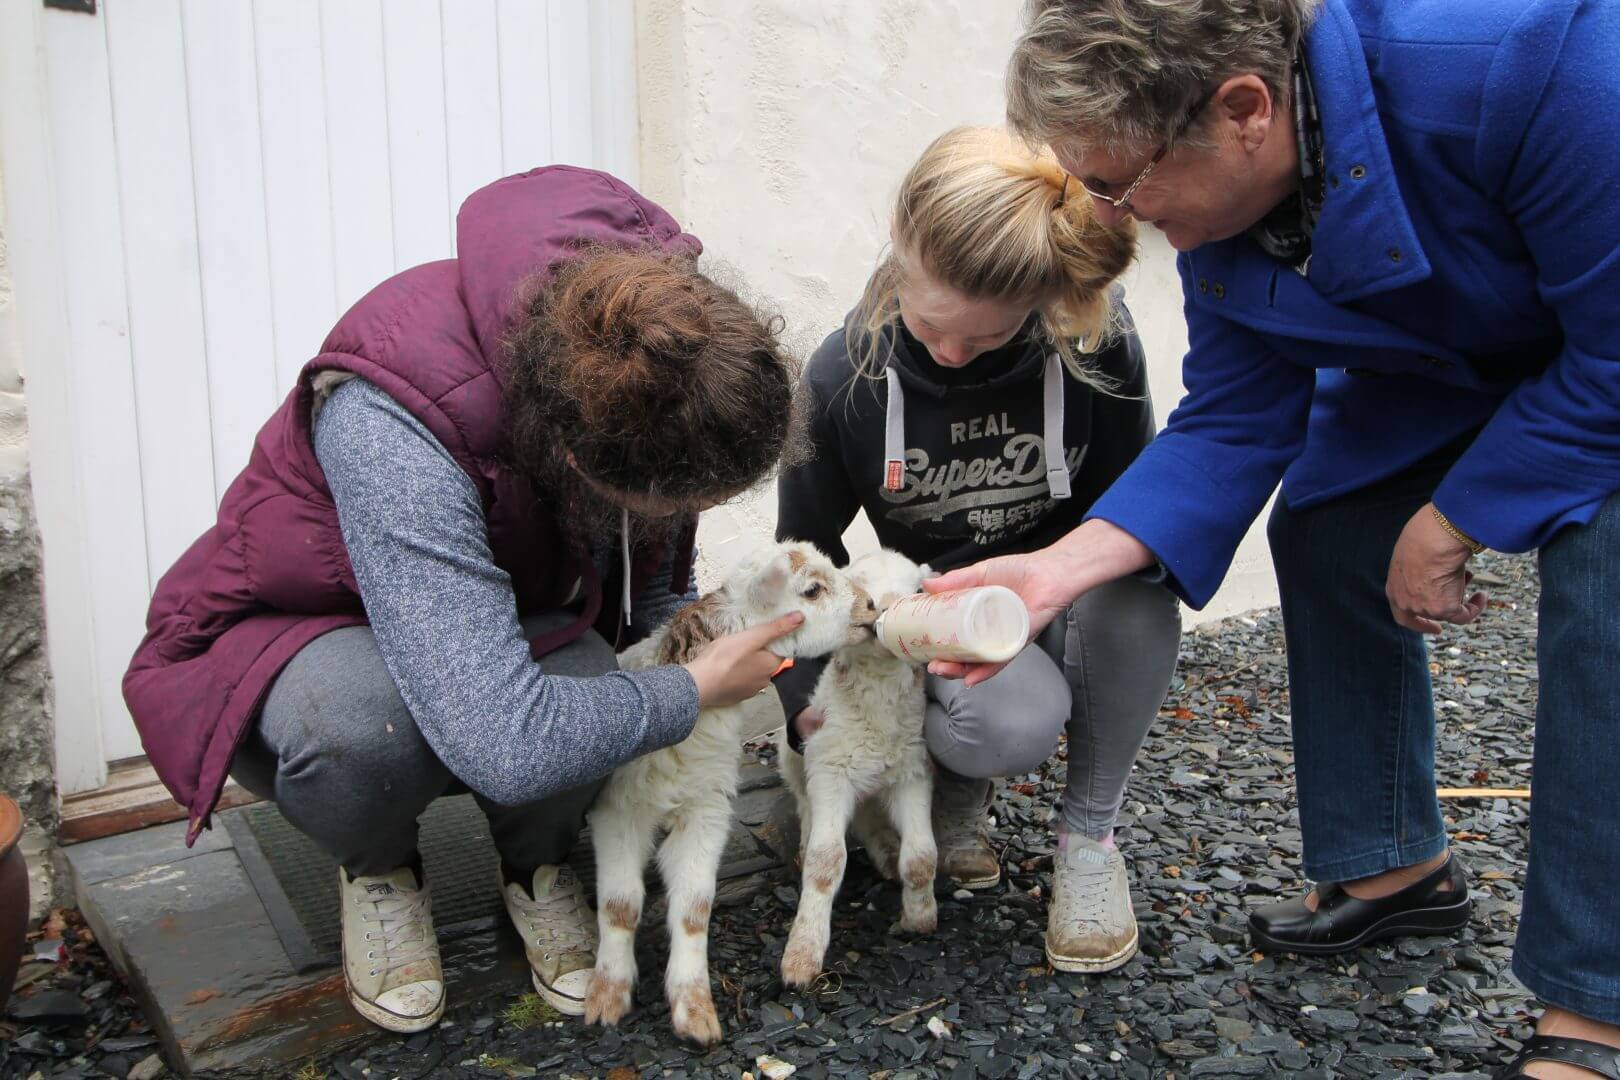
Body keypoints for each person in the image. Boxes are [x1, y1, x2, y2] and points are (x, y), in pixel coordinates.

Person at [929, 2, 1620, 1076]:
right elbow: (1238, 414)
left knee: (1605, 574)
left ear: (1243, 109)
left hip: (1608, 346)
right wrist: (1054, 571)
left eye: (1120, 184)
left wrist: (1457, 518)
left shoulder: (1539, 62)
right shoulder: (1228, 201)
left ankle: (1596, 1004)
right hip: (1484, 354)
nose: (1114, 216)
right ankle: (1397, 871)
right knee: (1332, 520)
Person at [123, 167, 810, 1033]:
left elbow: (652, 589)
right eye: (671, 505)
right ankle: (378, 868)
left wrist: (690, 641)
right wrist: (694, 689)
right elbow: (506, 745)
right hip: (316, 624)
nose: (683, 520)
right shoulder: (393, 412)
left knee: (601, 676)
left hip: (499, 604)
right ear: (580, 463)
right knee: (358, 733)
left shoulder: (665, 354)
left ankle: (536, 864)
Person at [774, 126, 1182, 974]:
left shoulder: (1097, 347)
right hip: (954, 623)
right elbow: (802, 558)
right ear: (898, 247)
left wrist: (1063, 587)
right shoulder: (838, 378)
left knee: (1140, 591)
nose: (954, 355)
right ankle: (956, 782)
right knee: (1009, 724)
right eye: (932, 327)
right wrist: (809, 710)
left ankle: (1089, 841)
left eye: (989, 341)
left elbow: (1133, 522)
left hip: (1068, 596)